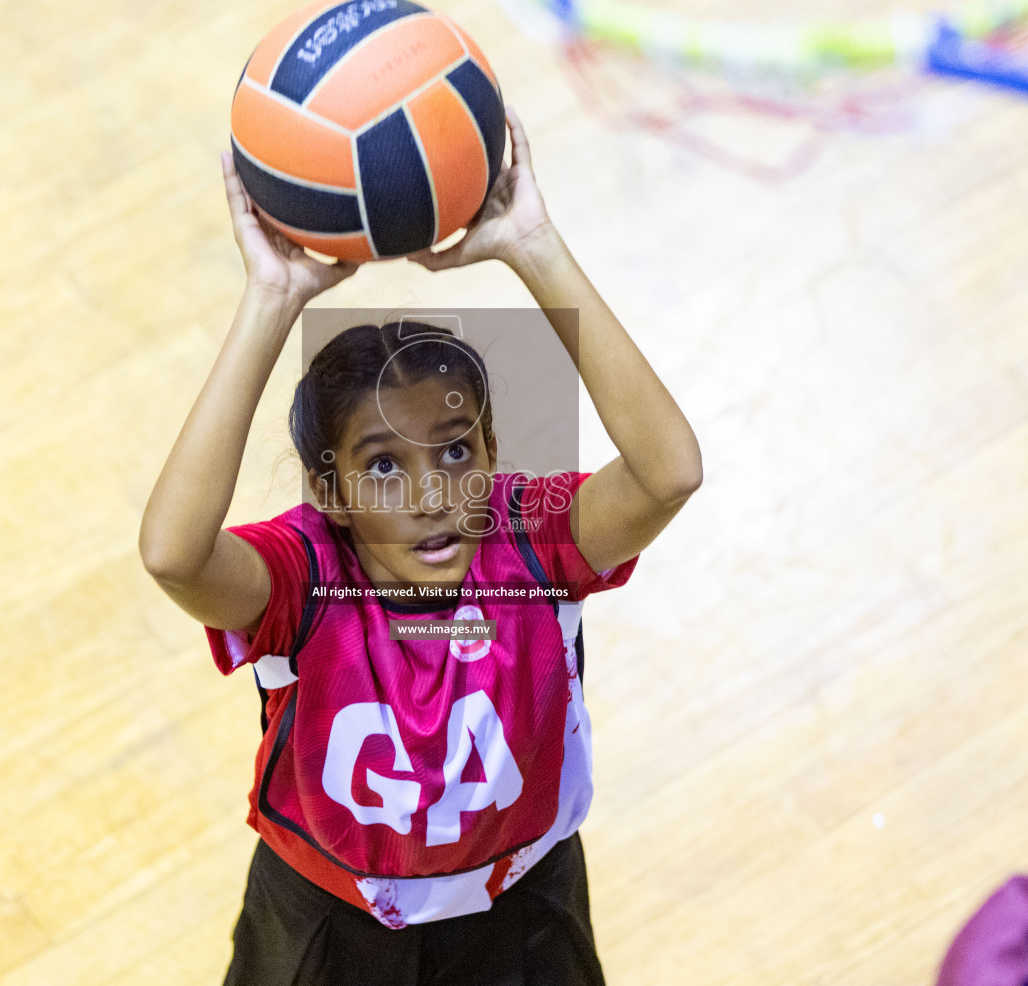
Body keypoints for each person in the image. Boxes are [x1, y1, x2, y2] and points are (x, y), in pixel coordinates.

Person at [139, 105, 703, 986]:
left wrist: (533, 243)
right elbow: (174, 554)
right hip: (327, 918)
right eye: (383, 467)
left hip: (520, 911)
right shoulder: (303, 574)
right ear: (328, 491)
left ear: (490, 458)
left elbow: (668, 472)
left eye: (453, 450)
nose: (434, 494)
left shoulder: (533, 538)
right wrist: (273, 299)